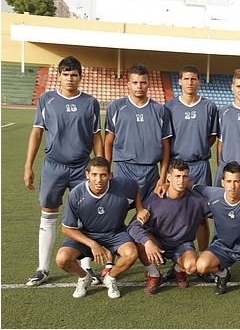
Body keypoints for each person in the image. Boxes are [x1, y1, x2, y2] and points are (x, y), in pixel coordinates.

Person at [23, 55, 104, 287]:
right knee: (48, 213)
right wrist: (28, 166)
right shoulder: (46, 100)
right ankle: (42, 268)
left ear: (80, 77)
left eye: (74, 75)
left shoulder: (90, 102)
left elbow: (96, 136)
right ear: (59, 76)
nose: (70, 79)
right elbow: (37, 133)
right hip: (54, 166)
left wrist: (101, 165)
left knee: (85, 216)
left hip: (82, 167)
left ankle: (87, 267)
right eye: (66, 74)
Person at [55, 157, 148, 299]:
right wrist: (93, 244)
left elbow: (135, 187)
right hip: (87, 234)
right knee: (62, 259)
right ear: (87, 175)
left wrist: (139, 208)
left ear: (110, 175)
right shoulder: (76, 194)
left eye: (103, 175)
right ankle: (84, 278)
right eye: (94, 175)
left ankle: (110, 279)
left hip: (115, 232)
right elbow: (66, 229)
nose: (98, 180)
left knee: (131, 254)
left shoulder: (123, 186)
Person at [165, 65, 218, 281]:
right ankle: (177, 264)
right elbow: (166, 141)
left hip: (199, 166)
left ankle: (203, 261)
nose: (190, 82)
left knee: (201, 216)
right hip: (177, 167)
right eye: (186, 78)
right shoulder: (169, 107)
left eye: (194, 79)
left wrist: (197, 150)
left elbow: (212, 137)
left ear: (198, 82)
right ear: (179, 81)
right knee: (175, 216)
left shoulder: (209, 106)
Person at [127, 159, 210, 295]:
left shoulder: (197, 201)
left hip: (182, 244)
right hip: (158, 241)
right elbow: (133, 226)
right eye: (177, 176)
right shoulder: (155, 200)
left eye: (184, 177)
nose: (181, 181)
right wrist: (148, 243)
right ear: (169, 177)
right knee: (140, 241)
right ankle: (154, 274)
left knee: (191, 267)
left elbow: (220, 210)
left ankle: (177, 269)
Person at [194, 161, 240, 298]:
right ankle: (222, 274)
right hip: (222, 246)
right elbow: (191, 186)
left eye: (236, 181)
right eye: (229, 181)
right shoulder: (213, 195)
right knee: (201, 266)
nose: (232, 186)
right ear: (222, 182)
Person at [104, 63, 172, 202]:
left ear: (148, 84)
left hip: (150, 171)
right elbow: (108, 141)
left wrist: (163, 177)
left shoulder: (160, 110)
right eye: (135, 82)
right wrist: (106, 170)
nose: (139, 86)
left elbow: (166, 146)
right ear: (128, 84)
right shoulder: (116, 107)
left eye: (143, 82)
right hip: (124, 169)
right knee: (118, 211)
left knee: (150, 213)